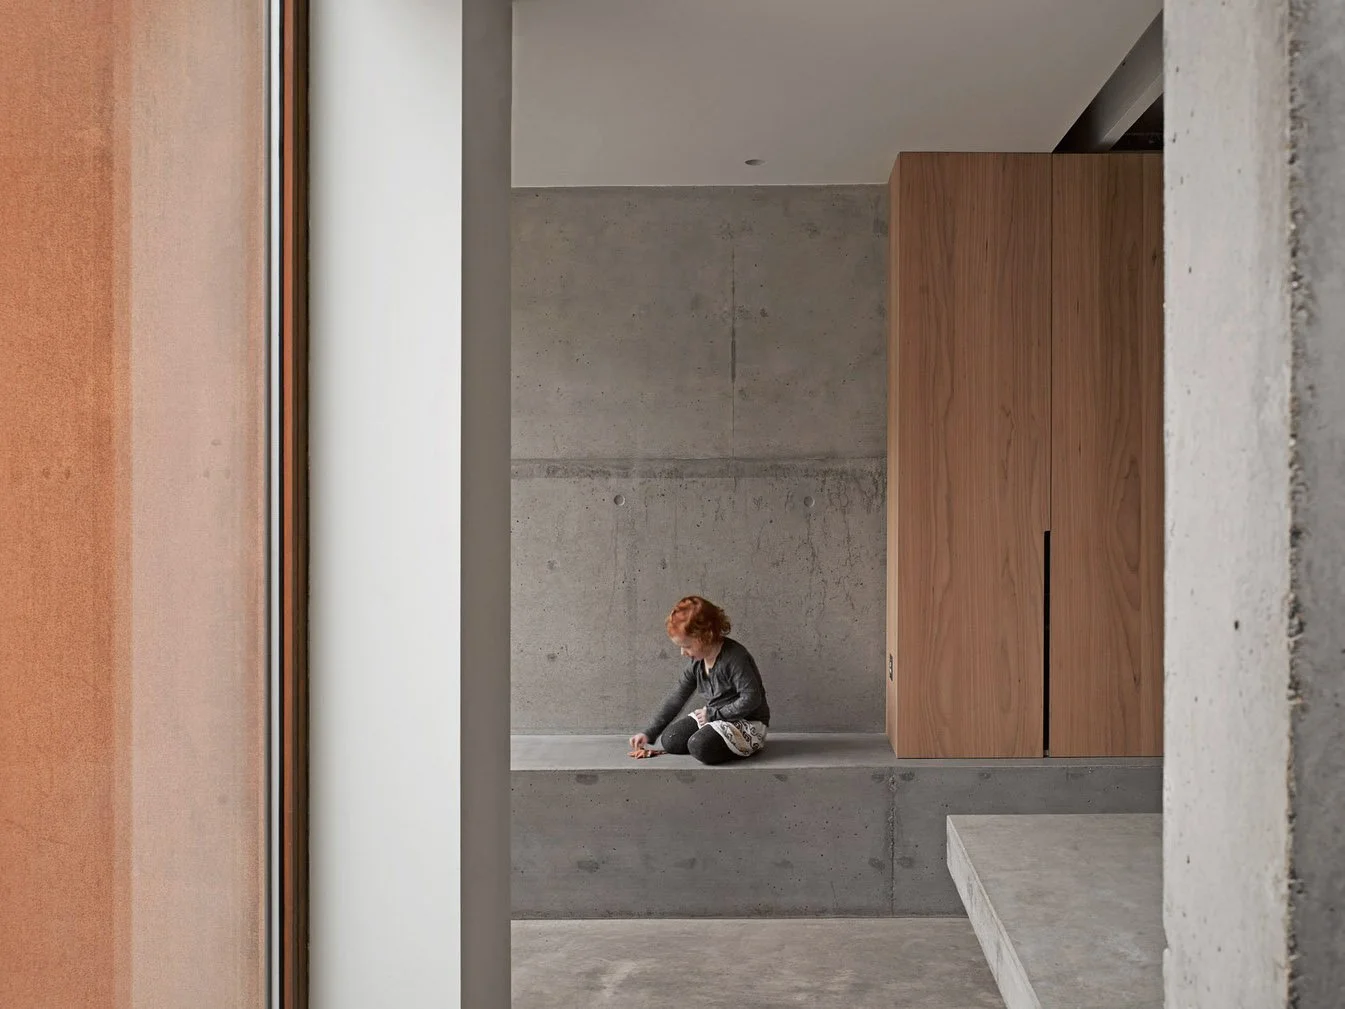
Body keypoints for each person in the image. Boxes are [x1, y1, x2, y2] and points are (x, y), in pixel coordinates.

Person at [628, 596, 771, 765]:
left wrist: (713, 714)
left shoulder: (735, 658)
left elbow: (751, 699)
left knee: (699, 746)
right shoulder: (697, 663)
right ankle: (714, 739)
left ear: (706, 637)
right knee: (671, 740)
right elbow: (676, 698)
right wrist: (649, 733)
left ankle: (741, 744)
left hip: (747, 722)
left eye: (687, 646)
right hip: (714, 716)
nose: (683, 653)